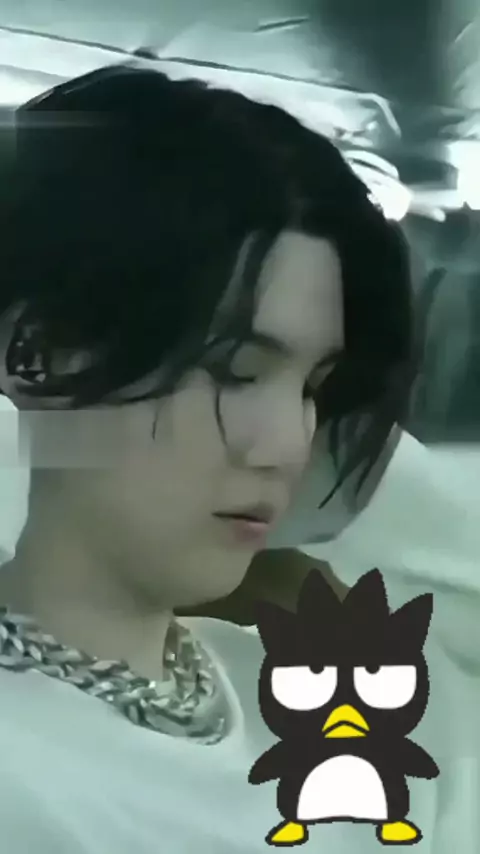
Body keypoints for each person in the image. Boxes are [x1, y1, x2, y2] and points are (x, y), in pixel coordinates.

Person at [0, 64, 416, 853]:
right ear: (38, 354)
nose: (288, 445)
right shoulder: (21, 770)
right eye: (234, 371)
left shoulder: (312, 688)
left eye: (315, 387)